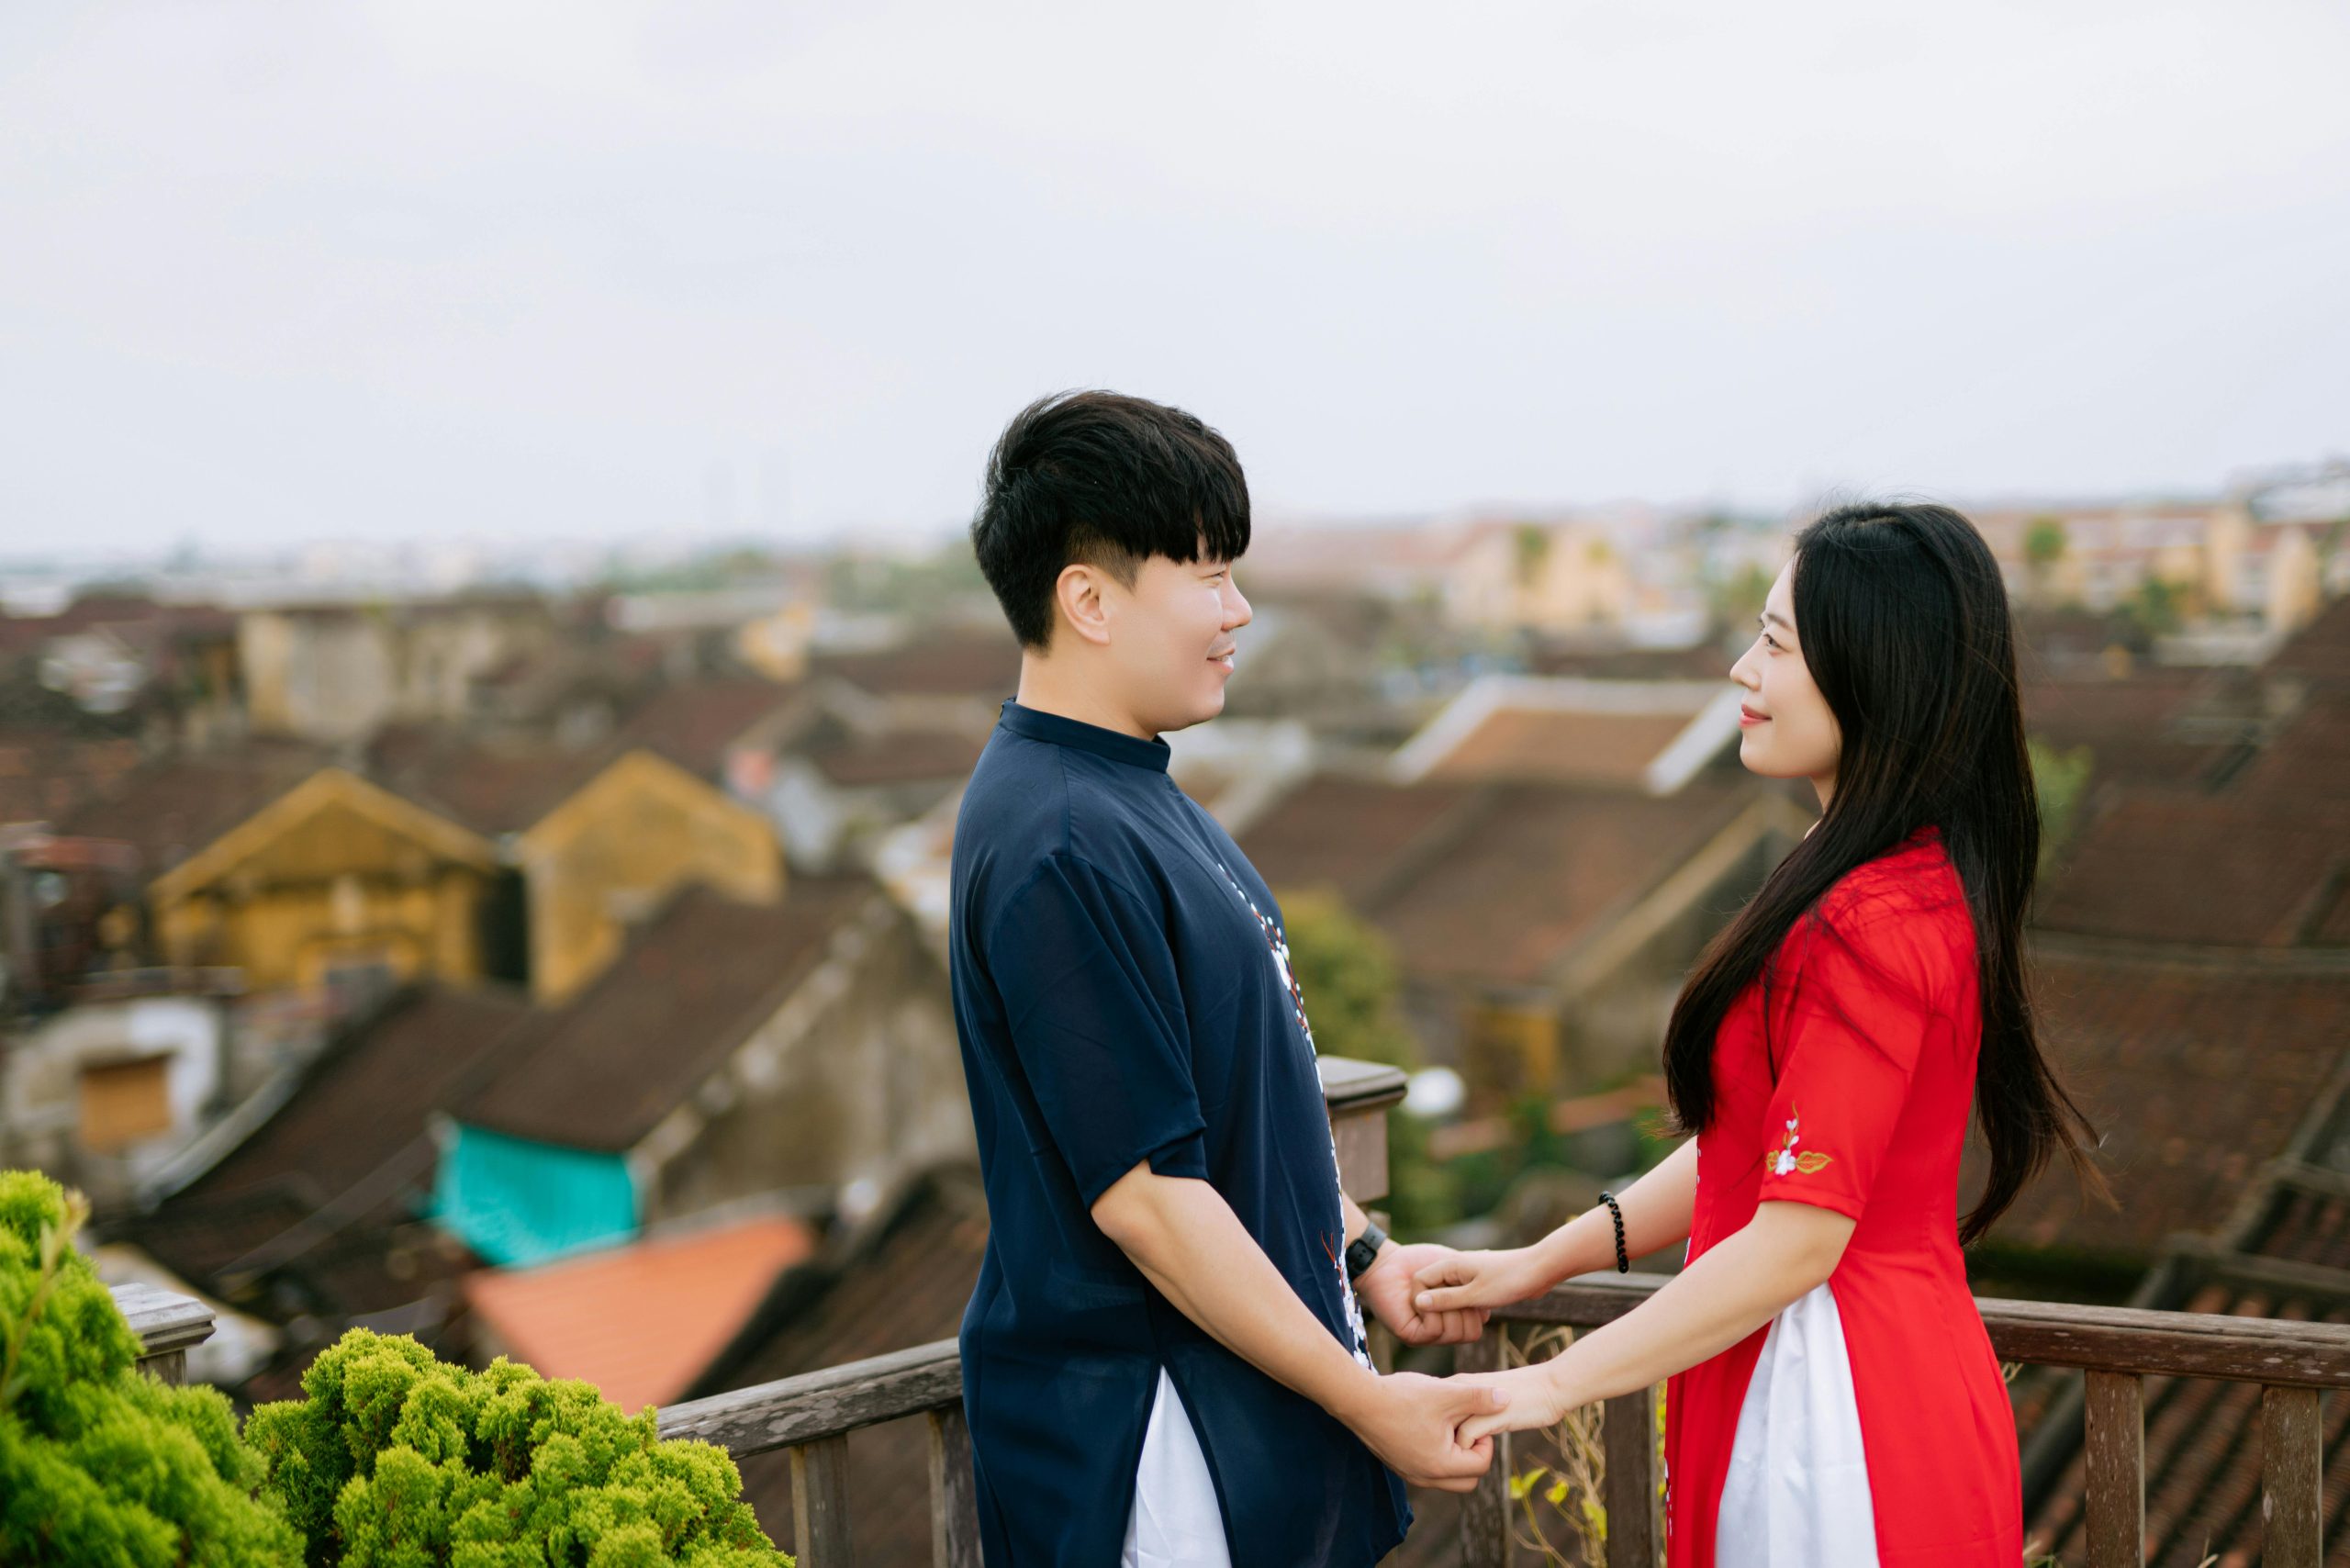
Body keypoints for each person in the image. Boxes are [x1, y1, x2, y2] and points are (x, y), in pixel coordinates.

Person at [1413, 502, 2106, 1567]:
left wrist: (1546, 1382)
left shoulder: (1863, 921)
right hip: (1865, 1377)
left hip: (1829, 1413)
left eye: (1775, 643)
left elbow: (1798, 1237)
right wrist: (1534, 1264)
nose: (1741, 669)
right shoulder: (1903, 881)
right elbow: (1754, 1145)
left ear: (1869, 672)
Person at [950, 389, 1506, 1568]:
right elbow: (1147, 1195)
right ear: (1087, 599)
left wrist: (1361, 1253)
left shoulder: (1131, 791)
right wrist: (1367, 1400)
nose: (1238, 609)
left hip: (1238, 1411)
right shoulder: (1057, 839)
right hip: (1153, 1444)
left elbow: (1243, 1100)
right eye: (1206, 573)